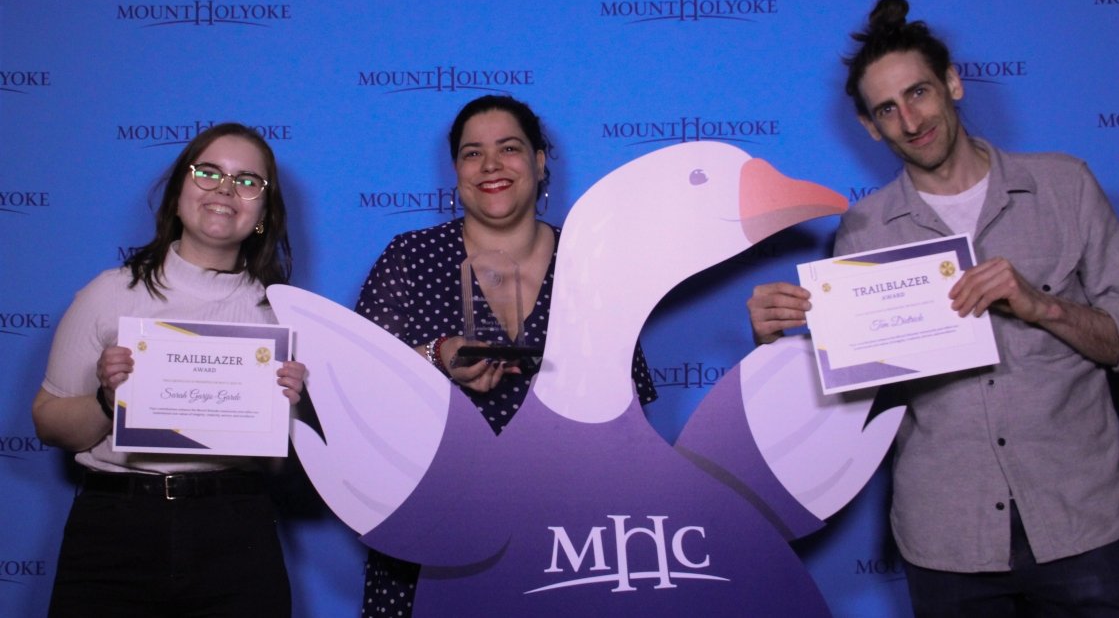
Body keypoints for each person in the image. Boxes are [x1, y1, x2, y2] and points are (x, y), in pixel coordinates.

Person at [748, 0, 1119, 617]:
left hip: (1083, 526)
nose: (910, 121)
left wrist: (1042, 307)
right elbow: (851, 405)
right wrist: (773, 345)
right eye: (887, 109)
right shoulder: (864, 232)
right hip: (949, 544)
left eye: (919, 93)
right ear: (870, 126)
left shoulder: (1064, 185)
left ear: (952, 83)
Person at [355, 94, 657, 617]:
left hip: (570, 538)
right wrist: (435, 355)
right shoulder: (410, 258)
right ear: (456, 171)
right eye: (473, 153)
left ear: (541, 162)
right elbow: (357, 388)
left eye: (510, 148)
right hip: (435, 528)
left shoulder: (592, 267)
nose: (491, 165)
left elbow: (633, 420)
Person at [32, 122, 306, 618]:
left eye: (248, 181)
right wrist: (105, 400)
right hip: (114, 528)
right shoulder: (109, 292)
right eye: (208, 173)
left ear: (263, 212)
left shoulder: (281, 317)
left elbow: (285, 467)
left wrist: (290, 417)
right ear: (180, 189)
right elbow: (48, 423)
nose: (225, 189)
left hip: (234, 528)